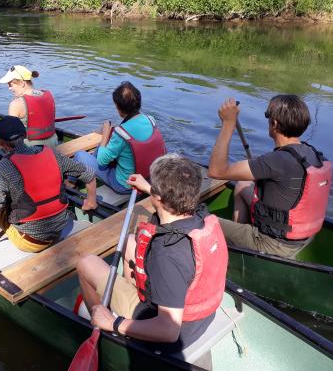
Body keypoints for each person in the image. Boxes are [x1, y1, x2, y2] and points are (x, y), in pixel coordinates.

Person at [76, 154, 228, 360]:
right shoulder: (201, 216)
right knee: (131, 241)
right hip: (201, 318)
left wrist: (114, 323)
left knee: (86, 263)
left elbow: (169, 330)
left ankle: (100, 320)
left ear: (158, 198)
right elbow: (170, 199)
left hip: (170, 332)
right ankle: (121, 305)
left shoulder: (168, 254)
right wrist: (148, 187)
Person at [0, 116, 98, 253]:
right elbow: (89, 175)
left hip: (30, 242)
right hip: (59, 228)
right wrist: (91, 201)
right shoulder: (51, 154)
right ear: (24, 135)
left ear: (0, 141)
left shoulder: (5, 167)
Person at [207, 96, 333, 258]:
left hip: (274, 244)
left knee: (202, 221)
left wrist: (228, 124)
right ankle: (240, 244)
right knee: (242, 184)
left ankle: (241, 251)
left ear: (274, 124)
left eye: (268, 116)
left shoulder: (276, 161)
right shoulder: (311, 153)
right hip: (304, 238)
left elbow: (216, 171)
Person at [73, 81, 166, 194]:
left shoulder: (121, 133)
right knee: (103, 148)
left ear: (119, 108)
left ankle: (71, 182)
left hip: (125, 185)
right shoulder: (151, 120)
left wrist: (106, 134)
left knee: (79, 155)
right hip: (149, 179)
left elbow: (101, 161)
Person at [0, 65, 58, 148]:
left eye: (10, 84)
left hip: (32, 148)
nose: (9, 88)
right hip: (53, 143)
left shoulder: (16, 104)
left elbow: (10, 135)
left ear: (22, 83)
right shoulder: (46, 95)